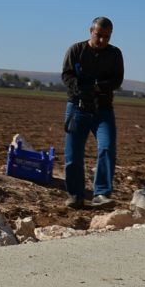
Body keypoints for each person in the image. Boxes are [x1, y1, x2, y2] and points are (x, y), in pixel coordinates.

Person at [60, 16, 124, 208]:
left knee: (107, 147)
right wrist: (81, 89)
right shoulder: (76, 50)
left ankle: (102, 194)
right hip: (78, 108)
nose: (103, 40)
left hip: (103, 109)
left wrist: (98, 87)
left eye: (107, 37)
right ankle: (75, 195)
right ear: (91, 31)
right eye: (99, 35)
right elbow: (67, 75)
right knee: (73, 153)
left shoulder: (115, 54)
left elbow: (116, 80)